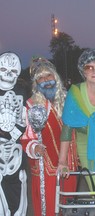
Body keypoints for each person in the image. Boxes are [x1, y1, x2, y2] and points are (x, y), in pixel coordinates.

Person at [57, 48, 95, 216]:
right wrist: (62, 161)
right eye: (88, 67)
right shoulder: (75, 93)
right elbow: (67, 127)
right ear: (82, 71)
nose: (94, 71)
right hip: (85, 143)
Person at [20, 57, 79, 216]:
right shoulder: (31, 105)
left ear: (56, 78)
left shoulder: (68, 99)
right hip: (46, 168)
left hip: (70, 164)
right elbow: (26, 137)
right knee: (50, 207)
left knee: (68, 206)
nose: (46, 80)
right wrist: (34, 147)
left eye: (49, 76)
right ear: (36, 84)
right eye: (41, 78)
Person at [0, 52, 28, 215]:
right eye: (3, 69)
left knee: (17, 186)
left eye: (13, 70)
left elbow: (24, 120)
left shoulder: (22, 90)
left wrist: (12, 136)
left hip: (14, 150)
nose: (8, 74)